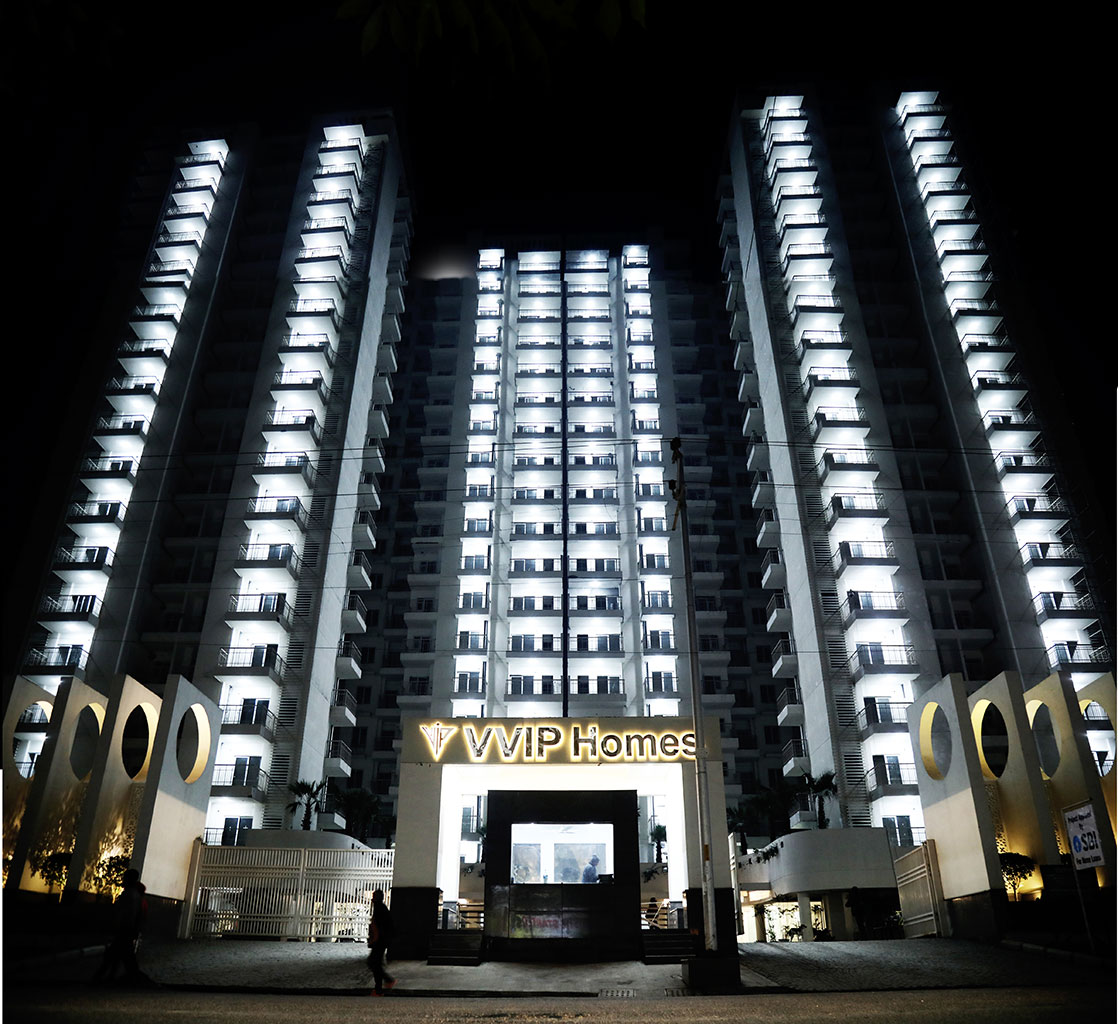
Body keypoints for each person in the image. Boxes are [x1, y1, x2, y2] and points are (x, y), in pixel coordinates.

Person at [91, 868, 153, 985]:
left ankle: (100, 978)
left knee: (115, 955)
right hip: (127, 930)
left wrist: (119, 926)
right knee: (121, 956)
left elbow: (125, 914)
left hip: (124, 930)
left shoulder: (129, 895)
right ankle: (108, 977)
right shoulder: (136, 896)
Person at [367, 889, 396, 995]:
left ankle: (383, 985)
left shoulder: (379, 908)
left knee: (373, 962)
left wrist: (374, 939)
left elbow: (377, 926)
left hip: (380, 940)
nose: (372, 898)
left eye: (374, 896)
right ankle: (380, 987)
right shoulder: (381, 908)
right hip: (382, 940)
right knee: (375, 963)